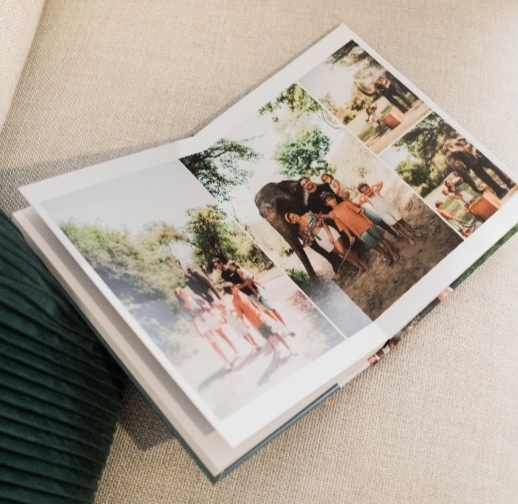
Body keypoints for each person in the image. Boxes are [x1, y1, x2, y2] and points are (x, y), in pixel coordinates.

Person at [321, 192, 399, 264]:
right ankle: (387, 257)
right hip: (358, 231)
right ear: (327, 203)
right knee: (373, 244)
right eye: (329, 200)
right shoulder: (334, 215)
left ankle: (393, 253)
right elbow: (343, 227)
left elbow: (359, 211)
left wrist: (368, 220)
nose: (333, 200)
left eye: (333, 198)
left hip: (365, 224)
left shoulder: (345, 204)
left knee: (380, 238)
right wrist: (350, 236)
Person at [284, 210, 368, 273]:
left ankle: (362, 262)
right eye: (293, 217)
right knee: (341, 253)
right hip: (321, 240)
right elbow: (309, 240)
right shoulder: (300, 229)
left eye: (294, 214)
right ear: (292, 222)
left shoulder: (308, 214)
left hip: (326, 231)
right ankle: (359, 266)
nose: (295, 216)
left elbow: (322, 221)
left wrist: (329, 234)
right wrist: (302, 245)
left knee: (342, 250)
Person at [211, 258, 287, 327]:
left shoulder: (232, 267)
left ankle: (285, 325)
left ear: (221, 263)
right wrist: (245, 284)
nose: (217, 267)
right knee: (264, 309)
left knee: (270, 307)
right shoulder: (223, 275)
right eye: (215, 266)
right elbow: (234, 287)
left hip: (255, 289)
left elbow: (247, 274)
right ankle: (277, 322)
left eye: (217, 265)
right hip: (247, 293)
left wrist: (251, 280)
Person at [226, 284, 296, 357]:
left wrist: (261, 313)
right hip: (255, 323)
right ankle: (275, 349)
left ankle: (290, 349)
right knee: (266, 337)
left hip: (261, 318)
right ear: (231, 292)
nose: (236, 287)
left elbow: (254, 305)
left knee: (275, 333)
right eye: (233, 287)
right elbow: (240, 314)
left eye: (234, 286)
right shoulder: (234, 302)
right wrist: (244, 323)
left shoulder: (244, 295)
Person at [175, 288, 237, 368]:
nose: (183, 292)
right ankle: (227, 361)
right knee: (213, 342)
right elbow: (191, 321)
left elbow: (206, 303)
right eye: (181, 293)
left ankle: (235, 351)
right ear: (179, 296)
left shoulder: (193, 297)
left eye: (182, 291)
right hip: (200, 323)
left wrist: (205, 308)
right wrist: (198, 331)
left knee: (222, 335)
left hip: (208, 316)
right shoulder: (183, 308)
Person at [442, 136, 516, 199]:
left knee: (493, 167)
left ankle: (508, 181)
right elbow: (460, 169)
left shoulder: (461, 143)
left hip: (477, 154)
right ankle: (499, 190)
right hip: (471, 163)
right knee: (485, 177)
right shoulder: (452, 156)